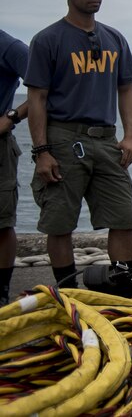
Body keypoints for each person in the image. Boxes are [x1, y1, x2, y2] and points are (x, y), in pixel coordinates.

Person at [25, 0, 132, 289]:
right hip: (63, 138)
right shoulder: (48, 40)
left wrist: (130, 136)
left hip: (107, 139)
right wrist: (42, 151)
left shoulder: (114, 38)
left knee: (123, 218)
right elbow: (37, 98)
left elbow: (126, 87)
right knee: (59, 223)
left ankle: (123, 290)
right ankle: (69, 294)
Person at [0, 29, 29, 306]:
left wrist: (11, 117)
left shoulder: (8, 45)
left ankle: (1, 292)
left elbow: (45, 84)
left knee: (2, 222)